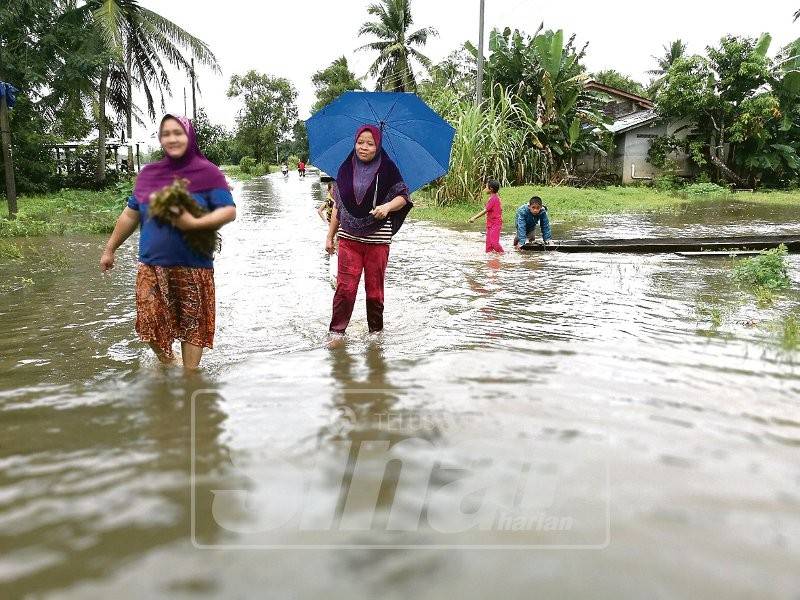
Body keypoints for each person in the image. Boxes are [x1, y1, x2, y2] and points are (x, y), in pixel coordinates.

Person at [99, 114, 236, 369]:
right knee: (148, 320)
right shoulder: (150, 175)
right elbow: (131, 214)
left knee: (192, 324)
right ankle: (168, 360)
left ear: (189, 137)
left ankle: (190, 378)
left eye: (178, 133)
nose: (172, 138)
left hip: (194, 264)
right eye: (166, 134)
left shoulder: (208, 173)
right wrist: (110, 249)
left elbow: (228, 211)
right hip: (152, 264)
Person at [325, 125, 412, 336]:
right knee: (345, 290)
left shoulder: (389, 169)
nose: (364, 147)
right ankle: (336, 333)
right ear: (354, 143)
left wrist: (386, 207)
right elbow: (338, 205)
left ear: (378, 145)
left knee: (374, 293)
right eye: (360, 142)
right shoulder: (344, 169)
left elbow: (403, 197)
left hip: (378, 240)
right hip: (348, 238)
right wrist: (329, 236)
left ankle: (376, 334)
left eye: (370, 143)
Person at [468, 179, 504, 253]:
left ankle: (503, 255)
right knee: (488, 246)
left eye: (486, 187)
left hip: (495, 224)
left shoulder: (494, 199)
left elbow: (485, 210)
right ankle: (491, 262)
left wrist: (474, 217)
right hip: (490, 224)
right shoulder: (494, 197)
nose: (485, 189)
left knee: (494, 243)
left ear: (491, 189)